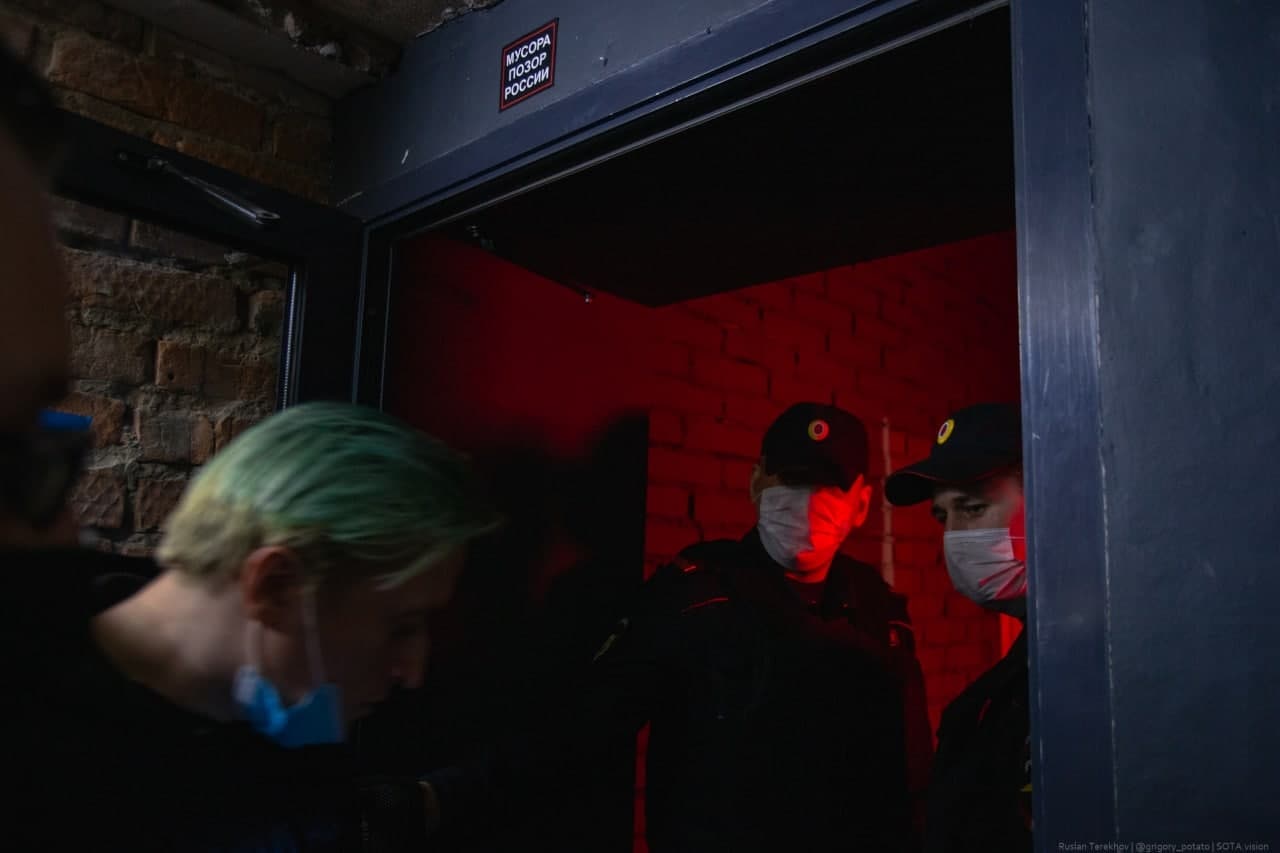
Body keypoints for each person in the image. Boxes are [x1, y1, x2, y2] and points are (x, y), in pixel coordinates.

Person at [427, 402, 931, 852]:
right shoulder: (696, 595)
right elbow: (580, 730)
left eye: (827, 486)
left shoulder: (879, 610)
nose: (806, 502)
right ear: (756, 482)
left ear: (860, 504)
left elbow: (907, 774)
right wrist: (440, 797)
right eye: (791, 480)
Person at [884, 402, 1031, 853]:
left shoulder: (1111, 666)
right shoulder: (998, 694)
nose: (956, 537)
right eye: (943, 517)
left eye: (972, 507)